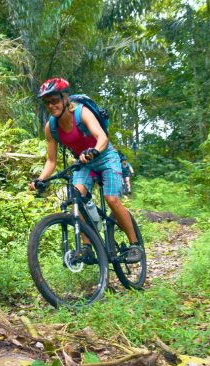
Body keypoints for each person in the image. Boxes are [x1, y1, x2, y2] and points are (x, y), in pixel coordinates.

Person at [28, 78, 143, 263]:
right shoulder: (51, 127)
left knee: (111, 198)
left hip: (105, 157)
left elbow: (102, 138)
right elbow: (51, 160)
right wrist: (39, 179)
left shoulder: (82, 113)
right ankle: (87, 246)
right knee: (74, 198)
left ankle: (135, 245)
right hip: (84, 163)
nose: (51, 105)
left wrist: (94, 150)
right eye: (47, 102)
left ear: (65, 98)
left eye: (55, 100)